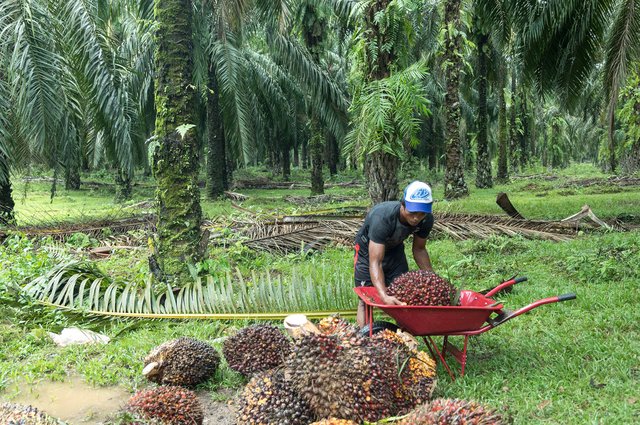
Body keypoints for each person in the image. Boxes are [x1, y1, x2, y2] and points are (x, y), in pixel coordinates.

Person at [354, 181, 434, 327]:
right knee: (366, 299)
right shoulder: (383, 217)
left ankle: (404, 339)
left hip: (395, 251)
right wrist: (383, 295)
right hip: (368, 253)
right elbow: (375, 262)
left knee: (403, 293)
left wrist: (431, 278)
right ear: (403, 205)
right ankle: (364, 340)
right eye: (412, 212)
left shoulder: (426, 219)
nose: (417, 218)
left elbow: (419, 249)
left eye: (421, 213)